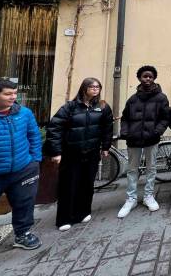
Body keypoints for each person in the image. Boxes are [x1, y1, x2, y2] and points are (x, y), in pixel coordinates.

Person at [0, 79, 42, 273]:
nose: (13, 97)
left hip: (23, 169)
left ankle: (22, 234)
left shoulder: (23, 113)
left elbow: (34, 136)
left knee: (25, 203)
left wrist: (34, 161)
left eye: (15, 93)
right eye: (8, 94)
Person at [45, 78, 114, 231]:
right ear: (84, 88)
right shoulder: (70, 107)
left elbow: (107, 128)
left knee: (87, 183)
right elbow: (54, 128)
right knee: (68, 185)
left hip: (91, 152)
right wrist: (56, 152)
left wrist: (105, 146)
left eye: (98, 87)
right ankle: (64, 218)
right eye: (92, 86)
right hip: (72, 153)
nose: (95, 89)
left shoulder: (102, 107)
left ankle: (83, 212)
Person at [118, 66, 170, 218]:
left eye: (150, 76)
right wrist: (125, 132)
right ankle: (131, 198)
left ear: (154, 78)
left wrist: (157, 131)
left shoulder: (161, 98)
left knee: (151, 168)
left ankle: (149, 196)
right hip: (133, 140)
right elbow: (125, 118)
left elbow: (165, 118)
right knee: (132, 169)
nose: (148, 79)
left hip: (151, 139)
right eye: (145, 76)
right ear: (140, 78)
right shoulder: (133, 100)